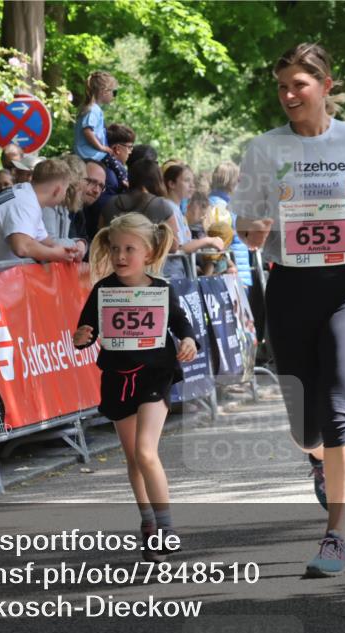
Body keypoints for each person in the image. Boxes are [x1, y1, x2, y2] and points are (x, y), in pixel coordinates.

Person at [232, 43, 345, 576]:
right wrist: (254, 230)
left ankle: (336, 534)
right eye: (282, 86)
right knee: (304, 428)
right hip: (289, 287)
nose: (288, 95)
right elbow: (244, 224)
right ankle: (317, 459)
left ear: (326, 86)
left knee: (339, 409)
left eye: (299, 85)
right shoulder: (263, 149)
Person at [73, 213, 198, 562]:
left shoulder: (161, 289)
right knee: (132, 458)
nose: (121, 256)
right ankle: (148, 523)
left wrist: (188, 341)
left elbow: (183, 326)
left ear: (149, 252)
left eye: (130, 248)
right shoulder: (103, 290)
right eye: (115, 249)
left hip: (155, 375)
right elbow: (85, 332)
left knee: (145, 452)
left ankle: (167, 530)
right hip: (117, 376)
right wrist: (82, 338)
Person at [164, 163, 226, 274]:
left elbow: (186, 243)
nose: (192, 186)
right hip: (171, 274)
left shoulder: (176, 209)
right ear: (171, 184)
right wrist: (208, 241)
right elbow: (178, 248)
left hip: (180, 273)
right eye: (187, 181)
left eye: (193, 182)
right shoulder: (168, 208)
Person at [208, 161, 253, 288]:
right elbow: (221, 238)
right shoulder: (220, 206)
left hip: (236, 268)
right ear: (230, 181)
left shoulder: (221, 203)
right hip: (233, 272)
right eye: (239, 180)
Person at [40, 154, 89, 258]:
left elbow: (62, 238)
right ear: (77, 180)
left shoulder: (64, 207)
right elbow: (50, 243)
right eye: (86, 179)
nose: (86, 185)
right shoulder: (49, 205)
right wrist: (76, 244)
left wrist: (80, 242)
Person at [74, 71, 117, 162]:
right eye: (114, 92)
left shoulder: (91, 108)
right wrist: (101, 147)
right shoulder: (93, 110)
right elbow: (87, 131)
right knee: (119, 170)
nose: (114, 96)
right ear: (104, 91)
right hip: (90, 153)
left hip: (87, 152)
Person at [103, 123, 134, 195]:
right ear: (117, 148)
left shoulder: (103, 166)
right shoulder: (111, 174)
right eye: (129, 147)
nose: (130, 152)